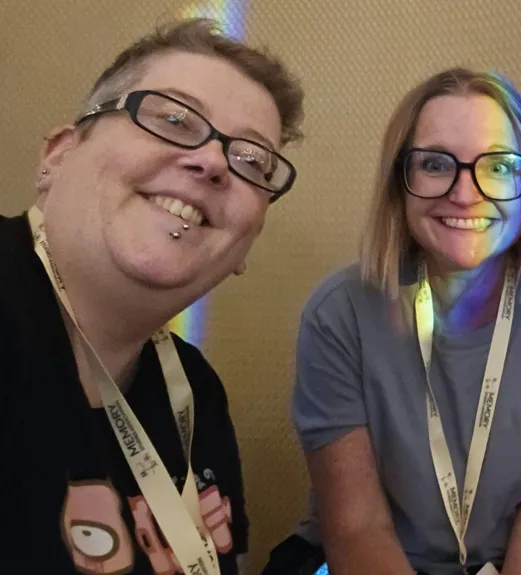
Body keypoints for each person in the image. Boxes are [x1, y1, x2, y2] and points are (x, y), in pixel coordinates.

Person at [275, 68, 521, 575]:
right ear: (400, 184)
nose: (465, 193)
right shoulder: (339, 313)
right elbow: (358, 529)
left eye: (498, 166)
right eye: (436, 164)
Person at [0, 18, 304, 575]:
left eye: (251, 161)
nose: (213, 162)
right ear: (58, 155)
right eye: (174, 119)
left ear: (245, 247)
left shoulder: (196, 393)